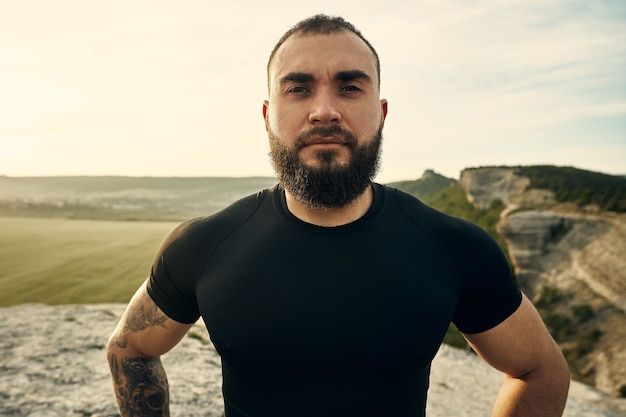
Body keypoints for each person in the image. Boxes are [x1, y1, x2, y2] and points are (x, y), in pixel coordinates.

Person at [106, 14, 570, 416]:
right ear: (268, 115)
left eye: (349, 87)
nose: (324, 111)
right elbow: (130, 350)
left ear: (381, 112)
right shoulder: (204, 245)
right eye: (299, 89)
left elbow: (540, 369)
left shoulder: (452, 247)